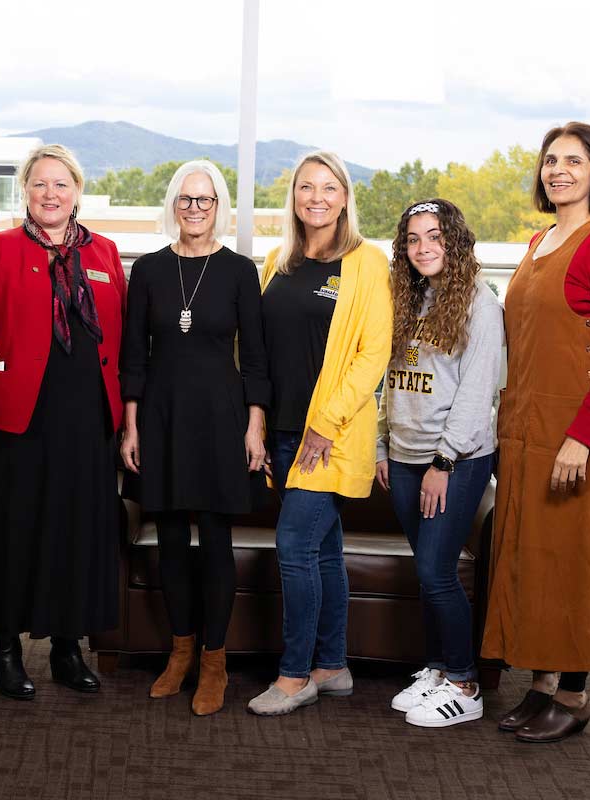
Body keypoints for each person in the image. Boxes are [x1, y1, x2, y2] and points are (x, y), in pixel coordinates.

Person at [0, 144, 126, 700]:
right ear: (25, 192)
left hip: (86, 419)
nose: (50, 195)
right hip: (11, 422)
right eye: (39, 184)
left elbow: (121, 343)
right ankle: (6, 653)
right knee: (13, 532)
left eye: (61, 185)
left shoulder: (105, 251)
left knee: (76, 532)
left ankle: (68, 650)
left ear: (77, 192)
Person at [482, 122, 590, 743]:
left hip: (572, 432)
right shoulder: (539, 241)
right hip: (524, 428)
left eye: (573, 160)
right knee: (530, 560)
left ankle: (573, 695)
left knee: (570, 564)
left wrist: (581, 436)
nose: (558, 171)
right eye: (550, 161)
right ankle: (541, 685)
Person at [119, 160, 268, 715]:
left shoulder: (238, 271)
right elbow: (134, 356)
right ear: (173, 206)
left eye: (205, 200)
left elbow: (254, 358)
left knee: (215, 540)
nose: (195, 209)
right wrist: (131, 427)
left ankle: (214, 661)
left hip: (221, 418)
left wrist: (255, 426)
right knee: (172, 541)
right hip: (161, 417)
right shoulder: (151, 270)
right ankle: (179, 652)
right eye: (186, 199)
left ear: (219, 207)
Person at [247, 151, 392, 716]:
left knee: (294, 547)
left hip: (327, 437)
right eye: (306, 187)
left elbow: (372, 353)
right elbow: (256, 350)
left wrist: (323, 425)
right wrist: (257, 423)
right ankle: (333, 665)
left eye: (328, 187)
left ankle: (295, 675)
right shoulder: (276, 261)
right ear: (294, 197)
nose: (316, 197)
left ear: (345, 196)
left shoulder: (365, 262)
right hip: (282, 432)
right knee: (325, 550)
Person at [374, 199, 503, 728]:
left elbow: (477, 393)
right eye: (412, 239)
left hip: (455, 458)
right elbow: (389, 380)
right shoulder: (409, 297)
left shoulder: (479, 303)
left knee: (435, 569)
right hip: (403, 454)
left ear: (455, 242)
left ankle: (465, 682)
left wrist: (443, 461)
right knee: (428, 573)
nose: (423, 248)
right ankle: (436, 669)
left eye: (434, 237)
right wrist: (383, 444)